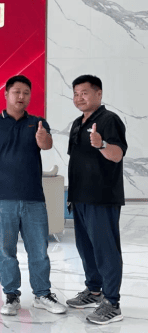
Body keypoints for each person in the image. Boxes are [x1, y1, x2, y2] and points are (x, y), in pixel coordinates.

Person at [0, 75, 66, 316]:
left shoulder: (38, 123)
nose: (21, 96)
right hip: (2, 199)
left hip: (33, 198)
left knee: (39, 251)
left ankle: (42, 294)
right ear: (6, 94)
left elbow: (46, 145)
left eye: (26, 93)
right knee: (6, 252)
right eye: (16, 91)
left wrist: (43, 139)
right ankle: (11, 295)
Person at [66, 75, 127, 325]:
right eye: (76, 93)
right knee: (86, 248)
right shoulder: (77, 123)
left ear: (98, 94)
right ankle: (93, 291)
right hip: (80, 197)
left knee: (105, 249)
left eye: (85, 93)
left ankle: (112, 303)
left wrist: (101, 145)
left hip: (102, 197)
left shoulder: (109, 120)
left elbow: (117, 154)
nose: (79, 98)